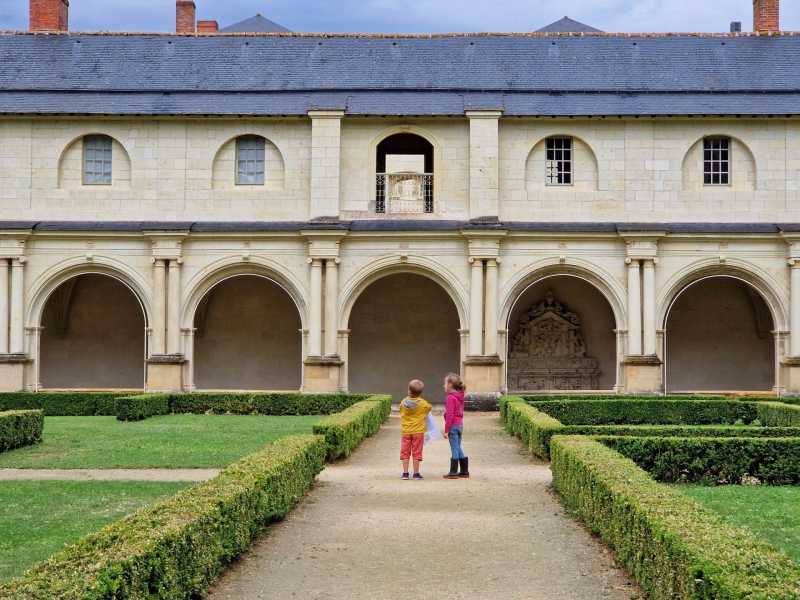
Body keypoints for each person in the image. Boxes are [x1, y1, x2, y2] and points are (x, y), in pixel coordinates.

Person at [399, 379, 432, 480]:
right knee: (417, 452)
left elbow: (400, 409)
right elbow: (429, 407)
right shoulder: (423, 404)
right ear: (421, 392)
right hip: (418, 432)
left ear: (409, 391)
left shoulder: (403, 402)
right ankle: (416, 474)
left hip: (406, 431)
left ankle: (405, 473)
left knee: (405, 452)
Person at [443, 372, 469, 479]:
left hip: (453, 426)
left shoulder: (450, 398)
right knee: (458, 446)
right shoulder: (460, 396)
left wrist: (446, 430)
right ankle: (464, 470)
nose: (444, 386)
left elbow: (450, 415)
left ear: (449, 385)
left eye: (445, 383)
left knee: (454, 448)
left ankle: (453, 471)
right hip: (460, 424)